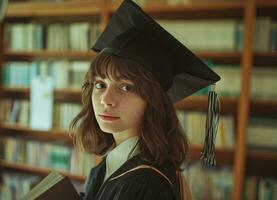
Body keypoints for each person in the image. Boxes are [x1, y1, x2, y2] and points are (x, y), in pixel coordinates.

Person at [70, 0, 220, 199]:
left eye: (126, 87)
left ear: (153, 100)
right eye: (100, 85)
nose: (106, 100)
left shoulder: (148, 183)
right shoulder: (114, 163)